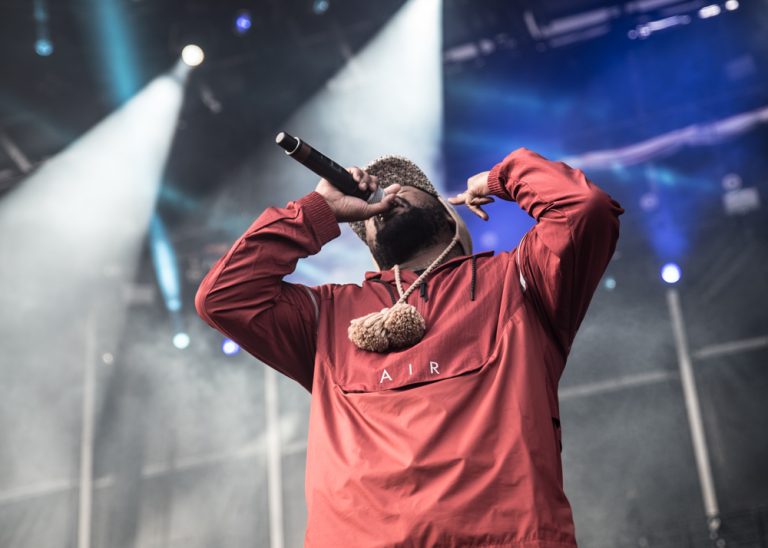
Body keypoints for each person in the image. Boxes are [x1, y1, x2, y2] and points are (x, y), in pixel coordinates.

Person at [195, 148, 624, 547]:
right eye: (376, 196)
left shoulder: (520, 281)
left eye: (404, 183)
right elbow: (223, 297)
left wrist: (502, 177)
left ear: (450, 216)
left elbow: (584, 210)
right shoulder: (327, 315)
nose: (388, 191)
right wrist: (317, 211)